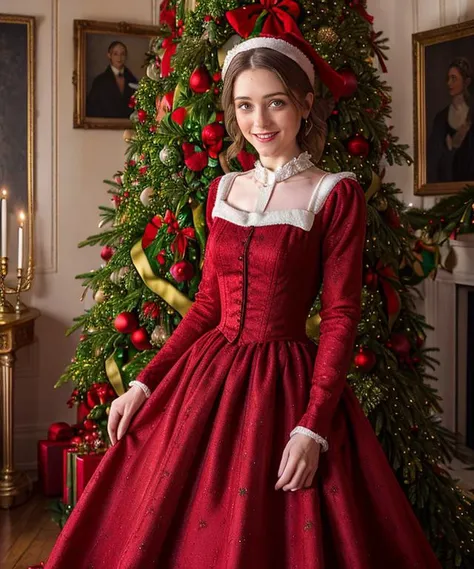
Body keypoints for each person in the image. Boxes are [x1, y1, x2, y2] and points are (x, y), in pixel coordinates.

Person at [45, 32, 442, 568]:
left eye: (275, 102)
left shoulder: (334, 192)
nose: (260, 121)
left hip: (288, 386)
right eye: (245, 105)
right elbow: (208, 306)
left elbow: (343, 314)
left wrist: (312, 425)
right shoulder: (224, 190)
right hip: (209, 377)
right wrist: (144, 383)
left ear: (304, 103)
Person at [427, 56, 474, 183]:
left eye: (454, 79)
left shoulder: (472, 115)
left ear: (466, 82)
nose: (449, 83)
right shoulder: (441, 118)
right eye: (448, 78)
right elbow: (433, 160)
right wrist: (450, 150)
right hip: (446, 186)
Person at [86, 40, 138, 119]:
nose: (119, 58)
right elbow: (93, 108)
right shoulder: (100, 81)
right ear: (109, 55)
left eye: (122, 54)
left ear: (126, 56)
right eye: (115, 54)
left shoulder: (133, 80)